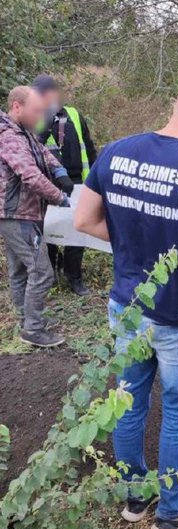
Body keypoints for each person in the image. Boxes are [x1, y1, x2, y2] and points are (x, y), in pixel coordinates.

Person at [74, 79, 178, 529]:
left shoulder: (115, 153)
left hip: (126, 308)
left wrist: (132, 242)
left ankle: (135, 497)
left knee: (128, 404)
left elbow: (83, 219)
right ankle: (171, 513)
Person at [0, 86, 72, 347]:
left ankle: (24, 321)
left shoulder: (24, 133)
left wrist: (59, 169)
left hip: (20, 212)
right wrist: (59, 197)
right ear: (17, 107)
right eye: (36, 111)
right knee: (42, 271)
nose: (40, 117)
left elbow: (42, 153)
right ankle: (33, 329)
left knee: (20, 270)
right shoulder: (8, 136)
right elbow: (28, 174)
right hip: (17, 214)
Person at [33, 73, 98, 296]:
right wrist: (47, 123)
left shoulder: (73, 114)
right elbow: (32, 148)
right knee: (49, 230)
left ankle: (74, 277)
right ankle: (51, 272)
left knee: (77, 230)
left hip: (79, 182)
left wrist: (97, 178)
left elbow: (88, 147)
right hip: (48, 184)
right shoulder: (34, 116)